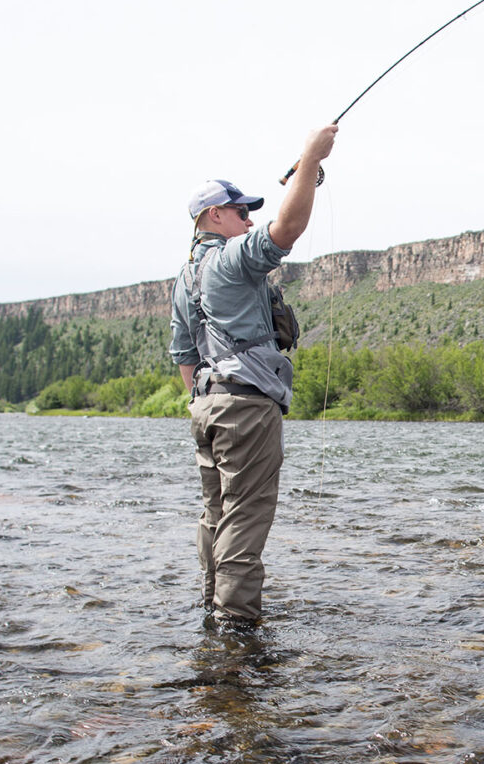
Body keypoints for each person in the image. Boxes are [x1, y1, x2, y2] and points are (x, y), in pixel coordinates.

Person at [169, 125, 338, 632]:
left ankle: (212, 610)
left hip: (206, 407)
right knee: (245, 515)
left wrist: (206, 403)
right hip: (246, 406)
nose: (249, 219)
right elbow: (285, 230)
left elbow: (183, 356)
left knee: (216, 513)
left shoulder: (184, 277)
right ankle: (237, 633)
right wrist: (309, 159)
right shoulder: (229, 260)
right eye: (241, 212)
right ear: (213, 216)